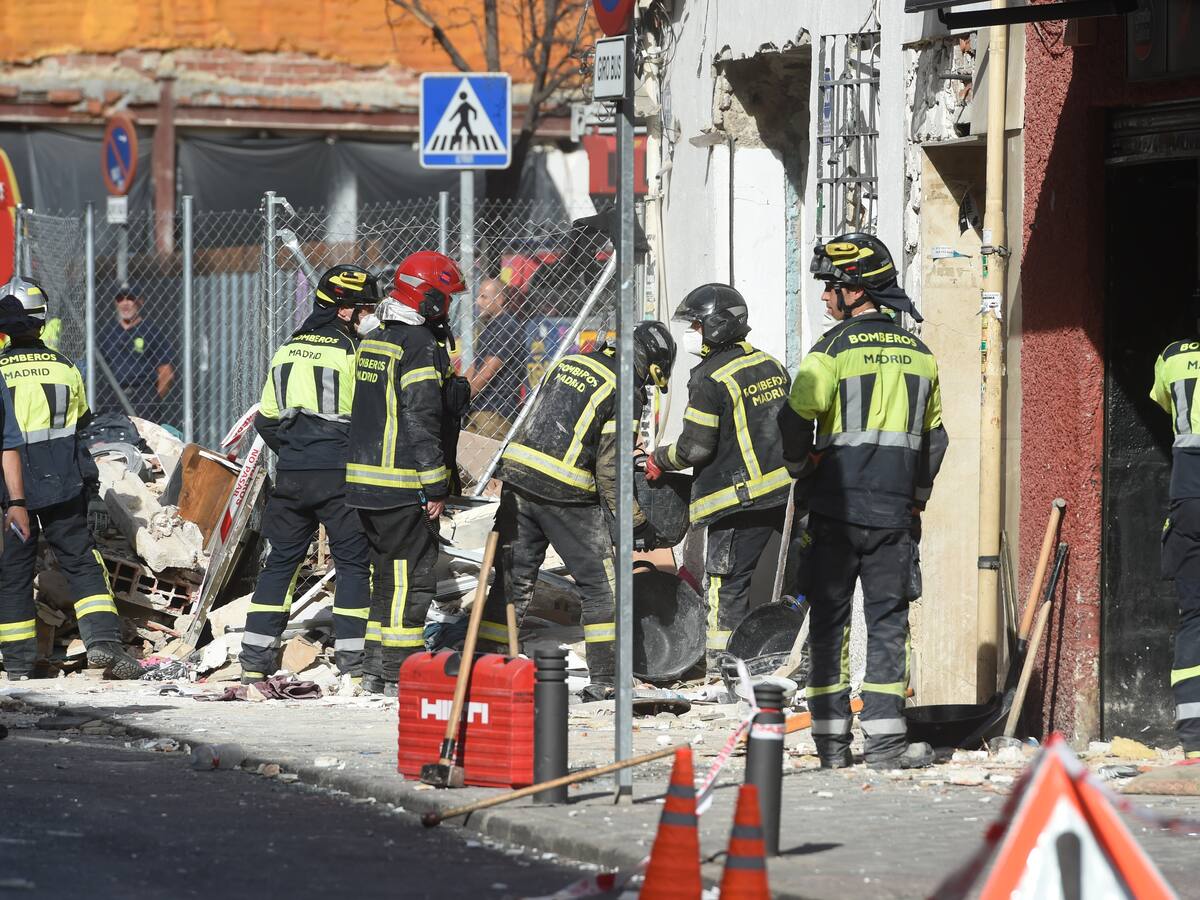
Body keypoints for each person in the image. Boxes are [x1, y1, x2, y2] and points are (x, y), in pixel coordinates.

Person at [777, 233, 948, 770]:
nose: (826, 298)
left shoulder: (828, 352)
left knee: (829, 626)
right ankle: (886, 747)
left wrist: (802, 468)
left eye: (832, 287)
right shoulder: (921, 355)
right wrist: (916, 500)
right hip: (894, 516)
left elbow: (794, 417)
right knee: (888, 626)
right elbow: (935, 440)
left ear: (856, 291)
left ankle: (832, 749)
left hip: (833, 514)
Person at [478, 321, 677, 699]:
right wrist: (634, 522)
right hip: (565, 491)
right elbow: (610, 467)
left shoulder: (574, 361)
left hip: (518, 478)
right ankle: (605, 682)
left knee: (512, 580)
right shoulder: (625, 390)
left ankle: (485, 667)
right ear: (651, 364)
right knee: (601, 587)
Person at [237, 265, 379, 685]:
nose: (368, 315)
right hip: (338, 472)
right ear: (343, 311)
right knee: (354, 562)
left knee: (280, 563)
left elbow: (265, 420)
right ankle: (353, 665)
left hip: (294, 473)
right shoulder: (353, 352)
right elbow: (370, 419)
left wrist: (298, 451)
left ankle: (253, 662)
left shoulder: (286, 350)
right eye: (363, 308)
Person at [645, 284, 791, 667]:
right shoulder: (770, 364)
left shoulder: (709, 379)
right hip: (786, 494)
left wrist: (659, 458)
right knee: (796, 581)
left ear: (717, 325)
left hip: (736, 500)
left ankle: (722, 668)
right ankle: (792, 656)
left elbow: (695, 448)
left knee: (727, 588)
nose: (690, 332)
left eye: (695, 323)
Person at [0, 278, 139, 679]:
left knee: (16, 571)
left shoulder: (0, 370)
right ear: (41, 324)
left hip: (12, 488)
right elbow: (82, 422)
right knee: (81, 561)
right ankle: (104, 644)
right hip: (62, 479)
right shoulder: (65, 368)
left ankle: (19, 663)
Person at [345, 251, 471, 696]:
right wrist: (436, 484)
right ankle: (400, 674)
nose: (450, 309)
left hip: (365, 485)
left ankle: (376, 672)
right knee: (411, 582)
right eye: (448, 299)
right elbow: (421, 420)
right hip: (402, 483)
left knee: (386, 579)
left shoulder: (376, 338)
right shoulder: (417, 346)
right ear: (429, 299)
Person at [1150, 337, 1200, 763]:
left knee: (1194, 618)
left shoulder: (1173, 356)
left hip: (1189, 497)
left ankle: (1195, 737)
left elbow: (1166, 403)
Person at [96, 284, 176, 423]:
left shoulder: (152, 331)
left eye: (130, 299)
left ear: (140, 302)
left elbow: (167, 373)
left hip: (143, 395)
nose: (125, 303)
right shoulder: (107, 334)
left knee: (144, 441)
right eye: (121, 299)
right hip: (113, 397)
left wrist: (152, 399)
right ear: (116, 303)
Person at [464, 277, 524, 441]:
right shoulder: (491, 327)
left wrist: (461, 397)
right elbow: (475, 366)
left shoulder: (507, 326)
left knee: (484, 462)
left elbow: (489, 370)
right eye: (478, 296)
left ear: (499, 299)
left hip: (494, 410)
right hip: (478, 407)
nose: (478, 301)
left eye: (484, 296)